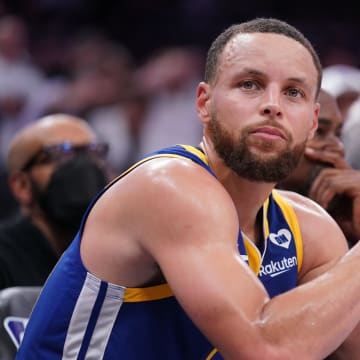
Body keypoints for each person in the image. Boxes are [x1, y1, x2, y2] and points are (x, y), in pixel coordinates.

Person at [17, 18, 360, 360]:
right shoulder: (166, 186)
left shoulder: (308, 227)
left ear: (312, 121)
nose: (273, 105)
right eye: (249, 84)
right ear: (203, 104)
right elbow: (265, 348)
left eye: (293, 92)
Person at [0, 113, 110, 289]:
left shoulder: (119, 253)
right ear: (22, 186)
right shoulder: (5, 258)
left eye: (93, 152)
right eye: (60, 154)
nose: (83, 167)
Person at [278, 88, 360, 247]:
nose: (338, 146)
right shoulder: (236, 215)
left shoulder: (345, 211)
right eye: (319, 131)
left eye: (338, 133)